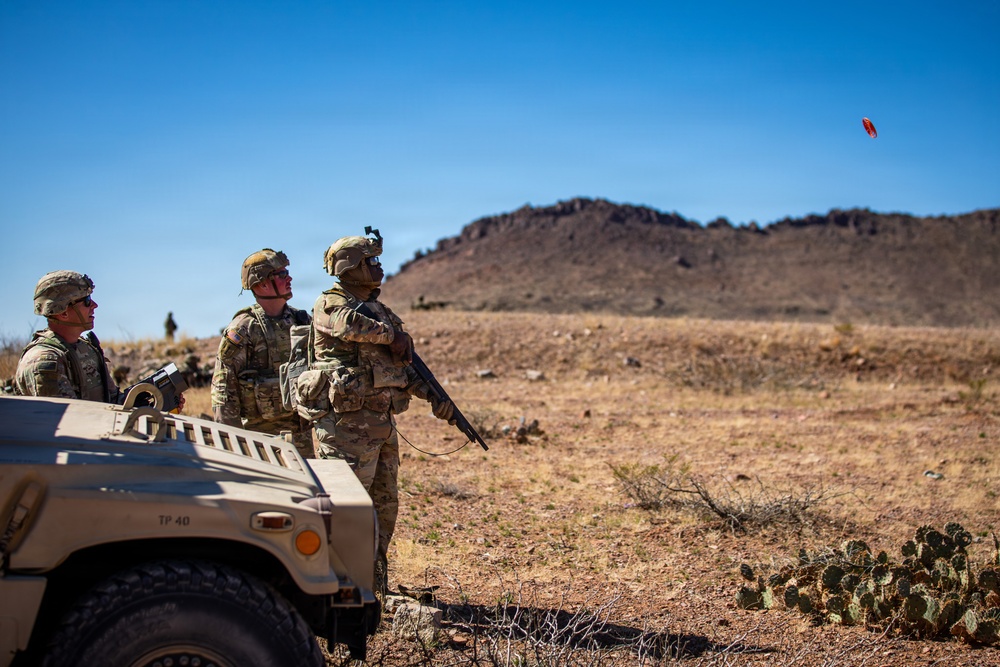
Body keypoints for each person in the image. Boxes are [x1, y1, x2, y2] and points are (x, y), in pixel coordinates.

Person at [306, 229, 455, 591]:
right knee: (344, 511)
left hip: (382, 426)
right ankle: (335, 590)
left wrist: (435, 397)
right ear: (350, 267)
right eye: (370, 261)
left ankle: (374, 587)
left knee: (383, 508)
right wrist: (393, 335)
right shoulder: (330, 303)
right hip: (345, 428)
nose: (378, 267)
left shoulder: (381, 311)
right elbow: (349, 327)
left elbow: (403, 368)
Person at [211, 249, 315, 459]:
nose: (290, 278)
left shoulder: (302, 321)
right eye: (282, 275)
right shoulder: (243, 329)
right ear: (262, 283)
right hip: (259, 443)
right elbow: (223, 389)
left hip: (301, 438)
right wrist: (230, 445)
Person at [14, 270, 120, 402]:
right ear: (63, 312)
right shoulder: (44, 360)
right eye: (87, 300)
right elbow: (65, 418)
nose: (94, 305)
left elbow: (113, 401)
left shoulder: (86, 349)